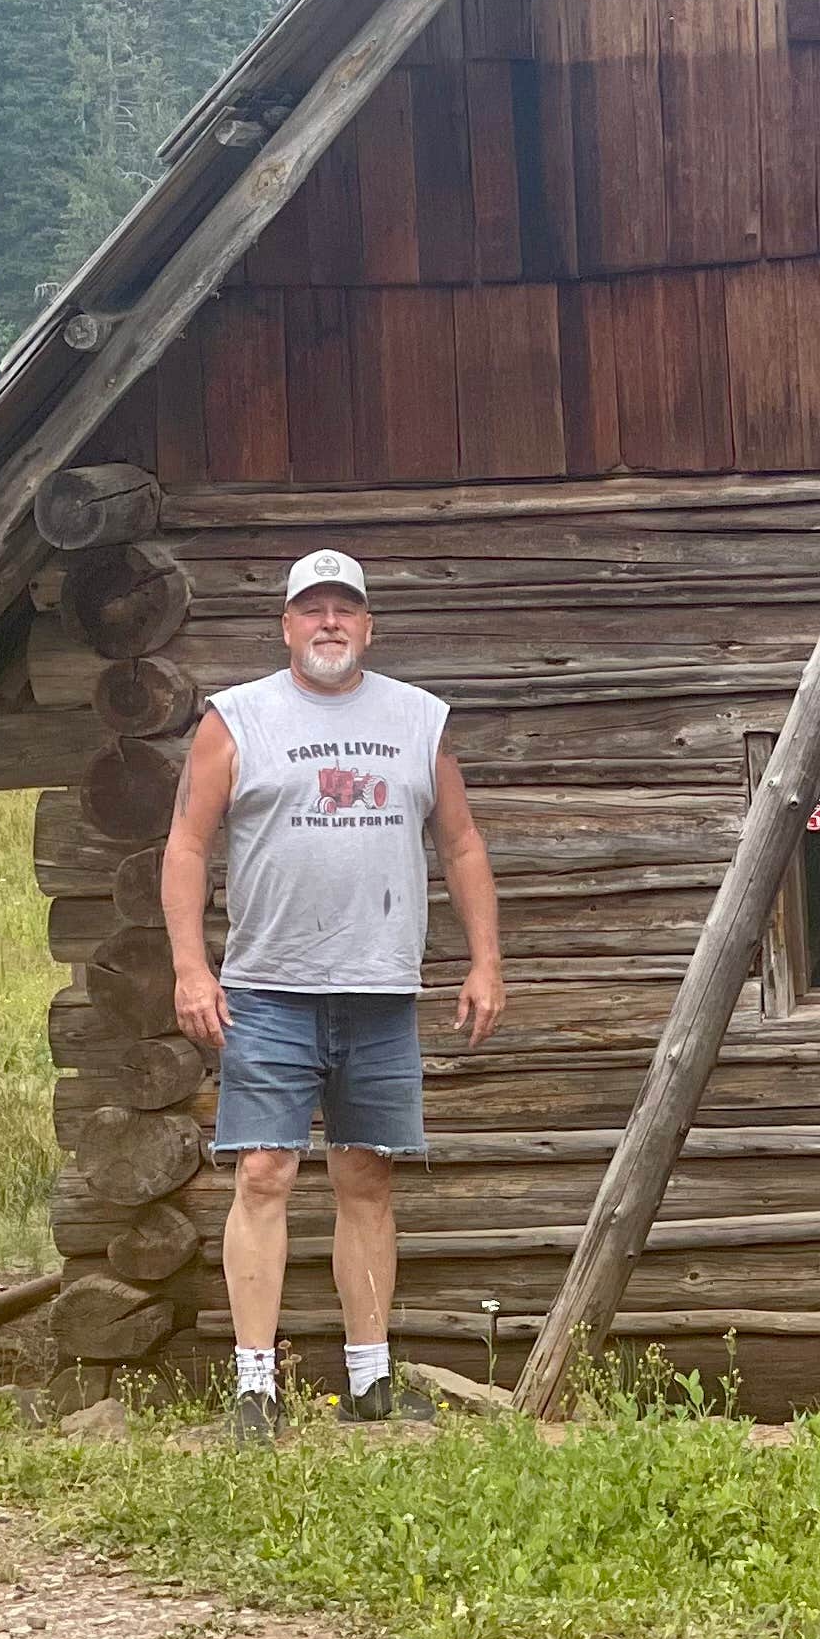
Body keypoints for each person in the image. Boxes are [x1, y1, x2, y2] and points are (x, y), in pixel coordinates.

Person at [161, 547, 503, 1441]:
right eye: (311, 609)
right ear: (285, 626)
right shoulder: (236, 720)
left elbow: (461, 844)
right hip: (269, 989)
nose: (329, 624)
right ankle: (253, 1388)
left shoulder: (418, 720)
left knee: (367, 1177)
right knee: (264, 1172)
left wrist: (485, 962)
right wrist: (191, 967)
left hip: (379, 989)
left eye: (344, 610)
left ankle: (370, 1379)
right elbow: (187, 847)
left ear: (368, 625)